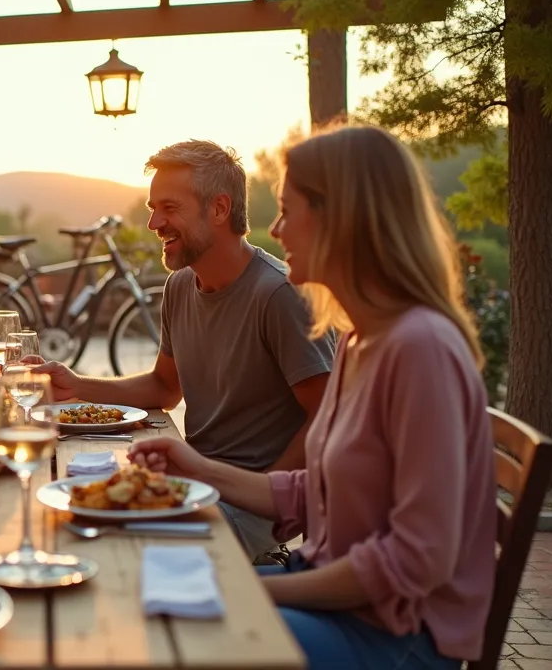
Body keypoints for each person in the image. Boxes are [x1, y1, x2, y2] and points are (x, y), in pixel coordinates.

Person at [127, 125, 495, 669]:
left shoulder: (421, 350)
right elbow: (318, 492)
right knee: (141, 593)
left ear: (341, 219)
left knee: (177, 638)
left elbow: (418, 560)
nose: (275, 228)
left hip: (396, 636)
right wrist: (199, 468)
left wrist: (248, 589)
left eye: (287, 210)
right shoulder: (361, 339)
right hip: (336, 600)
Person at [34, 139, 334, 562]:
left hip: (249, 503)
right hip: (191, 478)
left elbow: (327, 416)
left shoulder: (281, 296)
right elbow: (163, 388)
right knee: (71, 510)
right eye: (154, 207)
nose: (154, 222)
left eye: (169, 208)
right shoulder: (179, 286)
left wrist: (266, 496)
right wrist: (77, 384)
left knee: (116, 545)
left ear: (219, 209)